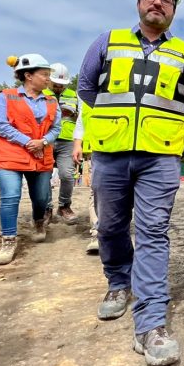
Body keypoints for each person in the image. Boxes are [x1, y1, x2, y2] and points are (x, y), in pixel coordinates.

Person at [77, 0, 184, 366]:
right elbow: (86, 88)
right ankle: (119, 282)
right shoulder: (108, 43)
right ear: (138, 2)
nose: (157, 2)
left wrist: (160, 125)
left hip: (160, 157)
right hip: (111, 152)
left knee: (153, 232)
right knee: (112, 226)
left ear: (173, 9)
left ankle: (150, 324)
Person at [0, 53, 62, 265]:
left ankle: (39, 221)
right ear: (28, 76)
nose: (48, 79)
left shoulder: (51, 100)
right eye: (44, 74)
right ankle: (8, 240)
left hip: (40, 156)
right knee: (10, 197)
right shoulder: (5, 96)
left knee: (41, 198)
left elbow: (56, 127)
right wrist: (28, 142)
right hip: (11, 156)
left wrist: (43, 142)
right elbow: (1, 125)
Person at [43, 62, 79, 225]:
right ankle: (46, 208)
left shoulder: (74, 94)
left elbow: (82, 119)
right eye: (56, 84)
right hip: (46, 140)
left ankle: (64, 206)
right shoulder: (40, 93)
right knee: (44, 176)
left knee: (67, 175)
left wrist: (74, 113)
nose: (58, 87)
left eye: (61, 85)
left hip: (67, 140)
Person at [71, 98, 99, 254]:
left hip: (125, 149)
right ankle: (97, 233)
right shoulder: (91, 94)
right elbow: (82, 120)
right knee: (97, 191)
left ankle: (116, 230)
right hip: (97, 151)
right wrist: (77, 143)